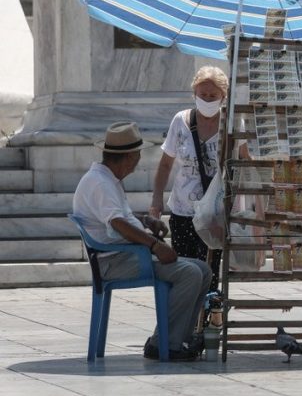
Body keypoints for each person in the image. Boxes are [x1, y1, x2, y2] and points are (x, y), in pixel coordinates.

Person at [73, 122, 213, 361]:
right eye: (137, 155)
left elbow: (117, 218)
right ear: (129, 157)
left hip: (125, 255)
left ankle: (176, 338)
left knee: (203, 270)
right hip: (116, 261)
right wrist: (155, 245)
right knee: (189, 274)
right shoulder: (101, 183)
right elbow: (117, 223)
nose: (138, 161)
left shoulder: (107, 179)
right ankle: (164, 344)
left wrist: (146, 221)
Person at [150, 67, 228, 291]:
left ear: (223, 96)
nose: (207, 100)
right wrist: (156, 199)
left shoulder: (230, 124)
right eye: (203, 95)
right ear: (194, 93)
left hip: (214, 212)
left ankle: (207, 309)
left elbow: (242, 162)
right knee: (184, 270)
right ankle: (187, 311)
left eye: (212, 96)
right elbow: (165, 164)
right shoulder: (181, 121)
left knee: (209, 270)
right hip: (183, 209)